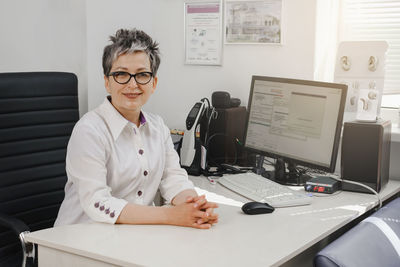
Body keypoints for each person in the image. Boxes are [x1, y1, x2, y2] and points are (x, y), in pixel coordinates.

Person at [55, 28, 218, 229]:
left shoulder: (158, 127)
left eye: (142, 75)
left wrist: (195, 206)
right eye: (121, 74)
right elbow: (97, 202)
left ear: (154, 83)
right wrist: (171, 215)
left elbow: (173, 179)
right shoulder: (89, 130)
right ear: (107, 82)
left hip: (132, 236)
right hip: (77, 242)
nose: (132, 85)